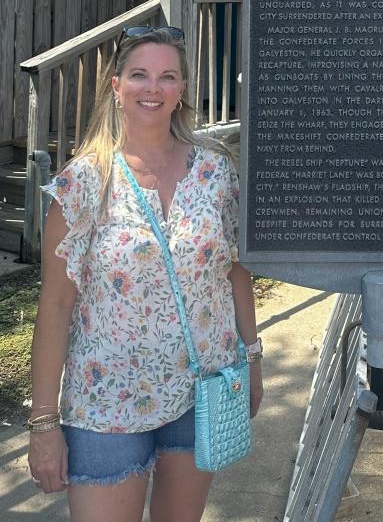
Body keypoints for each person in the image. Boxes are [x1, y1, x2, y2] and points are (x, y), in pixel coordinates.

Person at [27, 26, 263, 522]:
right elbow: (56, 303)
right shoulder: (83, 182)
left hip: (203, 388)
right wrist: (44, 422)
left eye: (167, 76)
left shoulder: (216, 172)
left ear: (182, 89)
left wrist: (252, 360)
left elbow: (235, 272)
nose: (152, 88)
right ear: (116, 86)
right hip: (106, 401)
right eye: (139, 75)